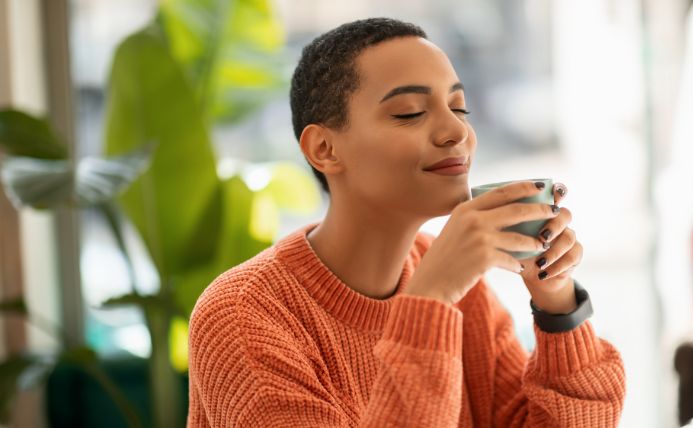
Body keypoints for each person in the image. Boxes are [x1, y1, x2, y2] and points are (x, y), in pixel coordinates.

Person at [187, 17, 626, 427]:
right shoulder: (242, 317)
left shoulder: (463, 291)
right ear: (323, 148)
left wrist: (557, 306)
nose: (456, 132)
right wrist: (429, 301)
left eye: (459, 108)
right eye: (410, 112)